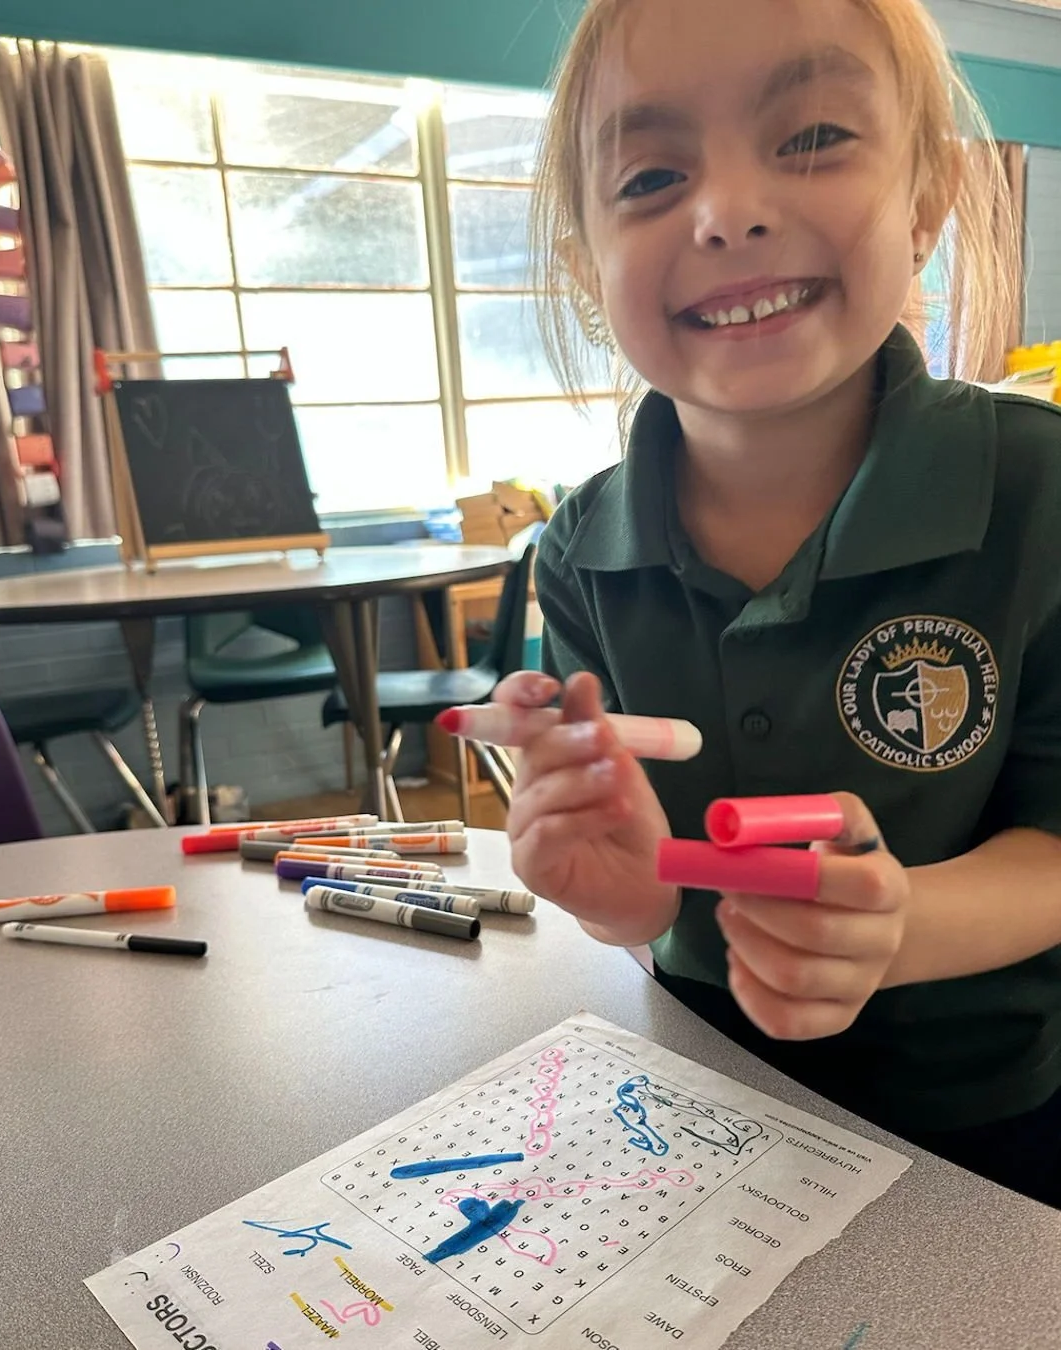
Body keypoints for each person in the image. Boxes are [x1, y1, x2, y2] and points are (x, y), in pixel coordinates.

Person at [493, 0, 1061, 1207]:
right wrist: (616, 894)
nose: (728, 211)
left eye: (810, 137)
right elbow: (643, 905)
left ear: (927, 201)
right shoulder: (582, 549)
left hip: (987, 1126)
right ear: (584, 267)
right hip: (700, 1103)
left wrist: (897, 925)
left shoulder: (1040, 489)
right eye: (651, 174)